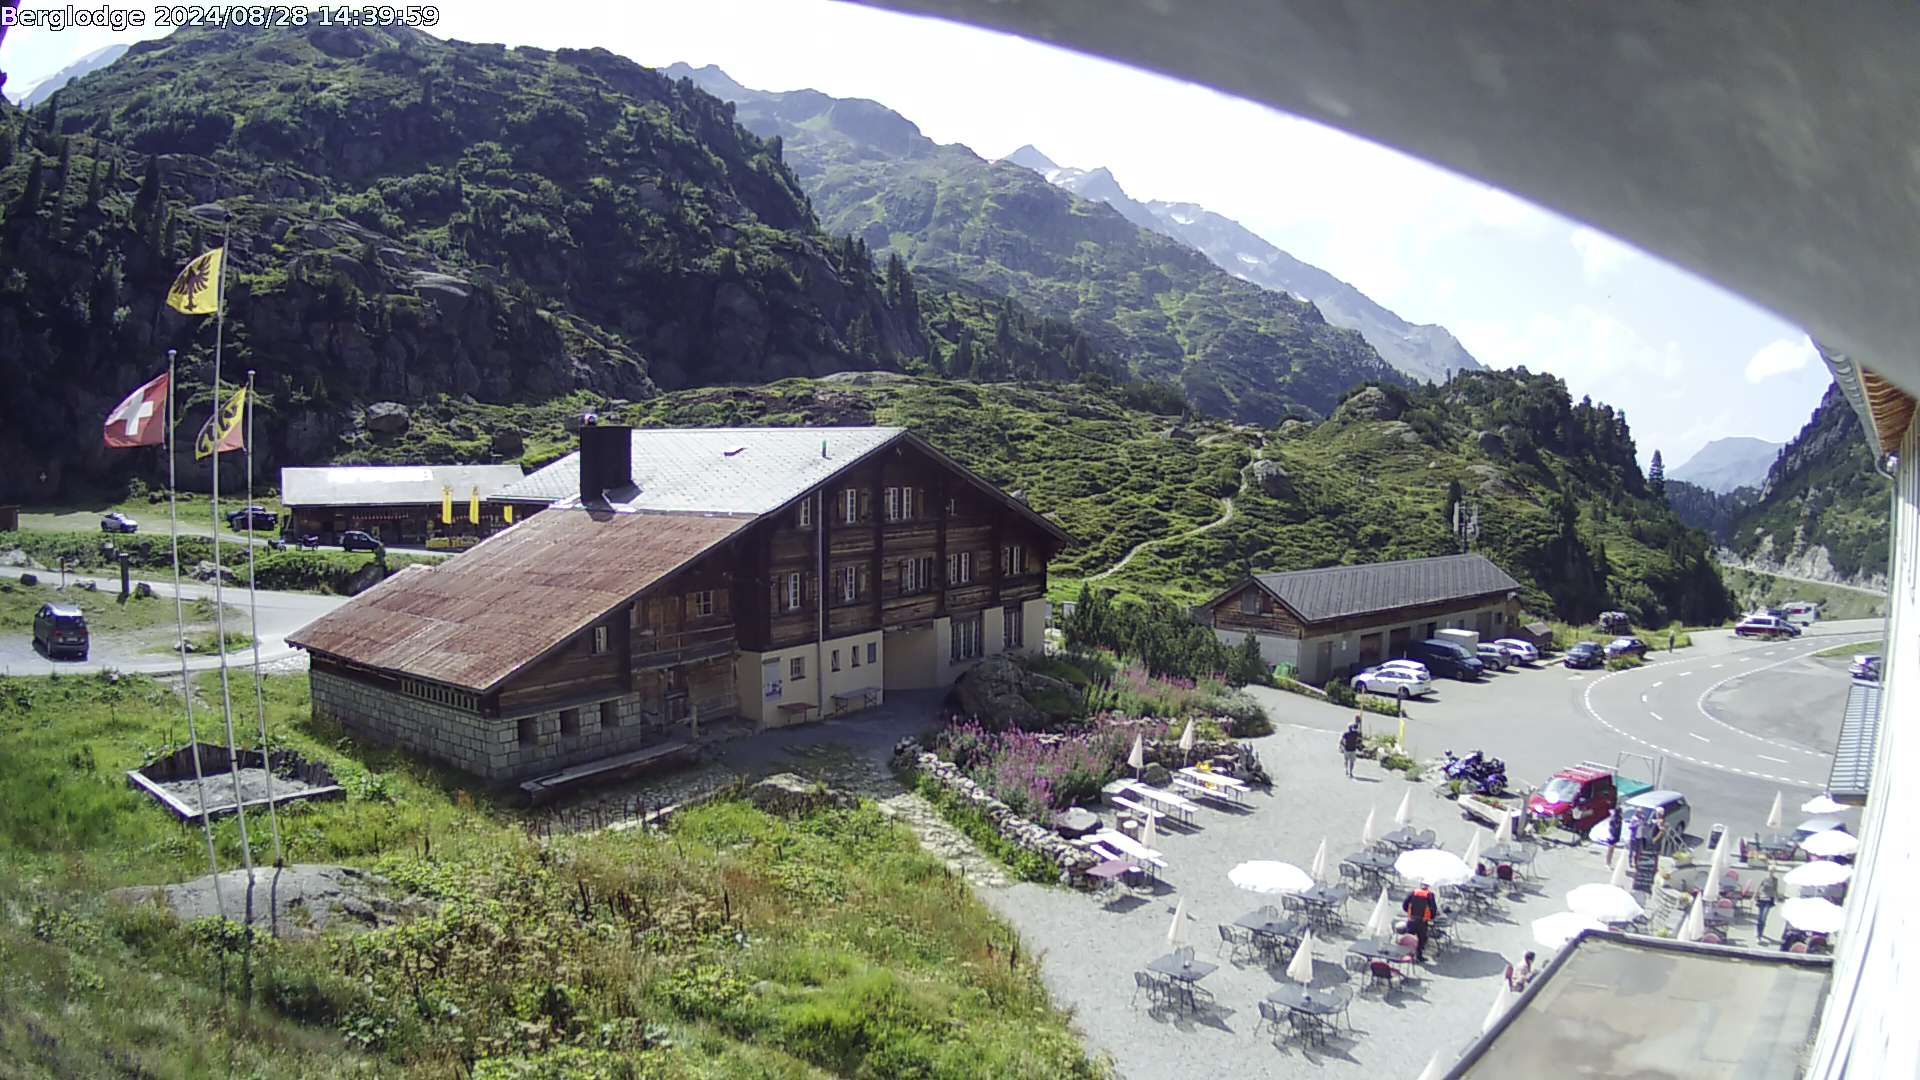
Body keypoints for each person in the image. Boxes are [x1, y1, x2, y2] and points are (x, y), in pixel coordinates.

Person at [1403, 881, 1441, 962]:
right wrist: (1431, 917)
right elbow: (1433, 909)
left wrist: (1409, 912)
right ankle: (1419, 956)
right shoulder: (1430, 895)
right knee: (1421, 939)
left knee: (1409, 938)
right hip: (1422, 921)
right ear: (1428, 886)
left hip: (1412, 919)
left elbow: (1404, 905)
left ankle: (1407, 955)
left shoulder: (1413, 892)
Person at [1756, 872, 1782, 941]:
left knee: (1763, 918)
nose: (1771, 873)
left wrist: (1777, 899)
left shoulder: (1775, 880)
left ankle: (1760, 935)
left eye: (1773, 871)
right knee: (1760, 918)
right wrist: (1754, 897)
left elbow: (1775, 890)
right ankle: (1758, 932)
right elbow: (1758, 887)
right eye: (1770, 871)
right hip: (1761, 899)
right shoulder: (1764, 878)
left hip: (1768, 900)